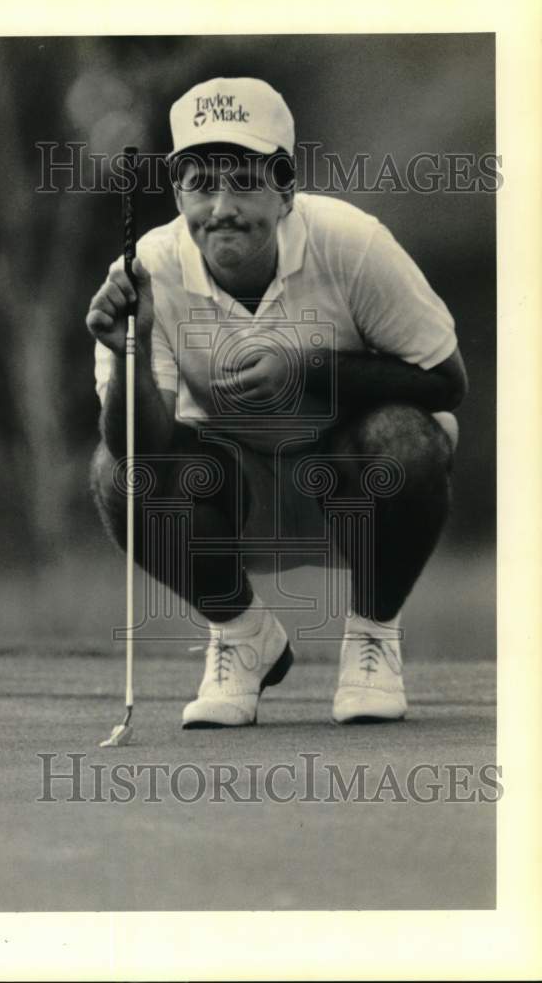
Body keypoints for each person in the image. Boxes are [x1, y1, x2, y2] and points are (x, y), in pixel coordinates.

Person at [86, 77, 468, 728]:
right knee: (112, 475)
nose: (222, 206)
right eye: (201, 184)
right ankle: (242, 637)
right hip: (230, 501)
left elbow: (443, 381)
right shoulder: (148, 267)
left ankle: (373, 637)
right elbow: (138, 453)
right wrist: (132, 347)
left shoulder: (351, 241)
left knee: (409, 440)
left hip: (353, 490)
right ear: (178, 191)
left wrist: (309, 366)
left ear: (286, 186)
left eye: (244, 182)